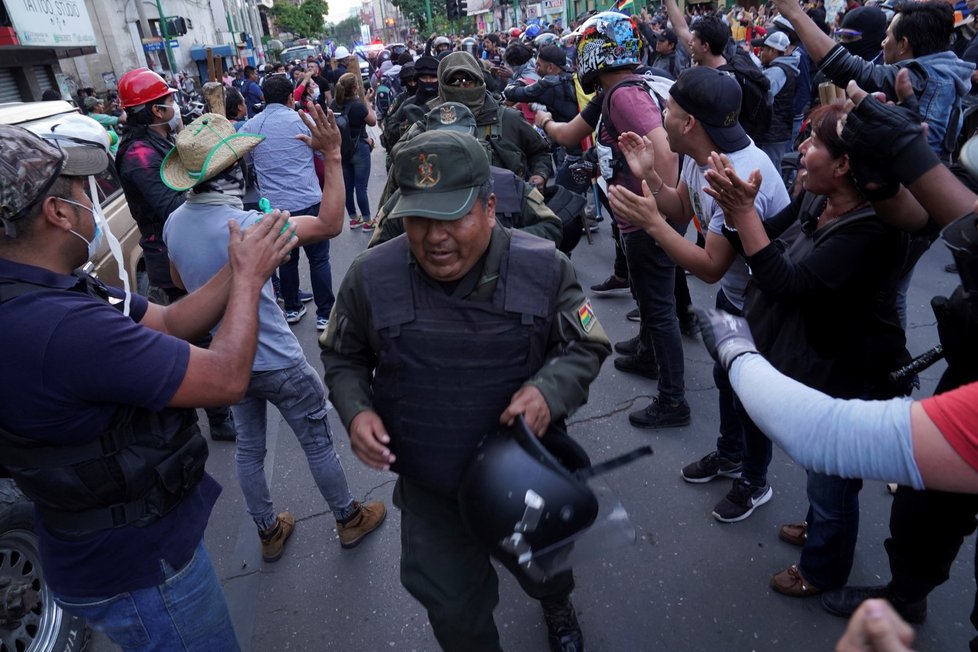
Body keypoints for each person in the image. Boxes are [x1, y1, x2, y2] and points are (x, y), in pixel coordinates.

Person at [0, 116, 296, 651]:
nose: (90, 199)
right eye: (79, 188)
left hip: (95, 553)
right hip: (140, 570)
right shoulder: (59, 327)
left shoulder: (42, 292)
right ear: (57, 212)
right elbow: (227, 378)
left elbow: (170, 321)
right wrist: (250, 282)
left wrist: (240, 263)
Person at [320, 129, 610, 652]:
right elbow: (343, 354)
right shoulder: (370, 277)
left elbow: (585, 346)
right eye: (419, 218)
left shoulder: (544, 267)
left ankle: (556, 603)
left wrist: (548, 391)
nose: (435, 236)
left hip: (526, 473)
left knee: (544, 569)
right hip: (433, 489)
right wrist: (356, 410)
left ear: (490, 206)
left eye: (453, 215)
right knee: (454, 613)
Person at [163, 108, 386, 563]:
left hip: (231, 361)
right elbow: (328, 224)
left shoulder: (173, 224)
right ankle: (348, 518)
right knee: (316, 441)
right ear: (235, 169)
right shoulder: (250, 226)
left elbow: (182, 286)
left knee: (249, 448)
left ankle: (268, 531)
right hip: (279, 360)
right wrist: (333, 156)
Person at [607, 66, 789, 517]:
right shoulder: (697, 155)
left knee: (751, 395)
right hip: (735, 298)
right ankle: (729, 455)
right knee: (725, 379)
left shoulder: (738, 174)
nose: (660, 114)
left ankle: (754, 480)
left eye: (667, 107)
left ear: (689, 123)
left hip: (765, 305)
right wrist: (650, 176)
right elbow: (680, 206)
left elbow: (709, 266)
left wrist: (651, 224)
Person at [536, 12, 687, 428]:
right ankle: (646, 352)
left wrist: (658, 210)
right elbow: (568, 134)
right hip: (634, 216)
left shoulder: (624, 95)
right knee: (647, 295)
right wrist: (545, 120)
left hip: (645, 217)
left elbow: (667, 152)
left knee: (659, 309)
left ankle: (673, 400)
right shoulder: (614, 89)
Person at [772, 0, 974, 161]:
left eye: (888, 36)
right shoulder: (944, 70)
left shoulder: (918, 76)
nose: (883, 43)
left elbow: (847, 68)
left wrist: (794, 12)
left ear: (903, 44)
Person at [242, 76, 336, 331]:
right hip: (308, 201)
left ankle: (293, 307)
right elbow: (323, 150)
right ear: (289, 98)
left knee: (287, 260)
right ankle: (325, 313)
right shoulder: (302, 120)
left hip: (275, 208)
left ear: (264, 98)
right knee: (319, 259)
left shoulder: (251, 126)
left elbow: (242, 157)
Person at [390, 51, 553, 196]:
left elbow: (539, 151)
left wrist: (540, 174)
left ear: (479, 81)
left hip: (505, 215)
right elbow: (398, 160)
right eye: (454, 82)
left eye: (468, 80)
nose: (462, 86)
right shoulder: (429, 122)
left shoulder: (508, 119)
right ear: (443, 86)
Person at [503, 44, 586, 195]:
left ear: (551, 68)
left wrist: (518, 80)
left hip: (573, 152)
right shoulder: (576, 76)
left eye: (538, 65)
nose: (536, 69)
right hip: (589, 148)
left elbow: (512, 94)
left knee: (561, 196)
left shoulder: (548, 84)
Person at [331, 73, 377, 231]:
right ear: (355, 87)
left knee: (348, 187)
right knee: (361, 186)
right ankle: (367, 221)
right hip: (359, 149)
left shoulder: (333, 105)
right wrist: (367, 101)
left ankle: (353, 218)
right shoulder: (358, 105)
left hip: (343, 150)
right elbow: (372, 121)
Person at [751, 30, 799, 168]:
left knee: (768, 171)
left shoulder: (777, 71)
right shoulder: (783, 68)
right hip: (777, 131)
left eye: (763, 49)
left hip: (773, 131)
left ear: (772, 50)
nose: (761, 53)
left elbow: (763, 96)